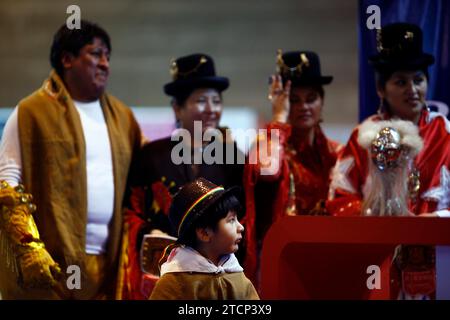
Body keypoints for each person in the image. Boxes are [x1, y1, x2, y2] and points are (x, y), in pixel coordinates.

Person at [0, 20, 142, 299]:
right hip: (49, 267)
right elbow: (6, 183)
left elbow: (144, 177)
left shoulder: (123, 117)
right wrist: (28, 248)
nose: (105, 64)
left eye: (108, 57)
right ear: (67, 59)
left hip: (109, 267)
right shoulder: (31, 111)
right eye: (96, 54)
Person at [326, 23, 449, 299]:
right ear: (381, 89)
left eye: (418, 79)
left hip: (441, 266)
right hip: (378, 267)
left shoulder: (447, 134)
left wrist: (435, 221)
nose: (413, 89)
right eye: (401, 82)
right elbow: (338, 199)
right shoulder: (362, 136)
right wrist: (375, 216)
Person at [119, 53, 244, 299]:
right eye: (201, 101)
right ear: (178, 107)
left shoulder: (233, 158)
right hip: (162, 276)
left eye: (216, 101)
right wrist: (148, 234)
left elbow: (246, 217)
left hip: (216, 279)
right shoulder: (151, 156)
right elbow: (128, 213)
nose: (211, 110)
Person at [243, 50, 341, 286]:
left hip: (327, 260)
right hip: (280, 259)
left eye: (311, 98)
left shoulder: (337, 153)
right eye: (294, 100)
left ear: (322, 101)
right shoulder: (268, 146)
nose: (304, 107)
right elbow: (267, 171)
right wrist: (279, 116)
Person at [149, 178, 259, 300]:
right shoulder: (175, 283)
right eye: (231, 220)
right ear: (204, 233)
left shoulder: (236, 276)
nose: (241, 227)